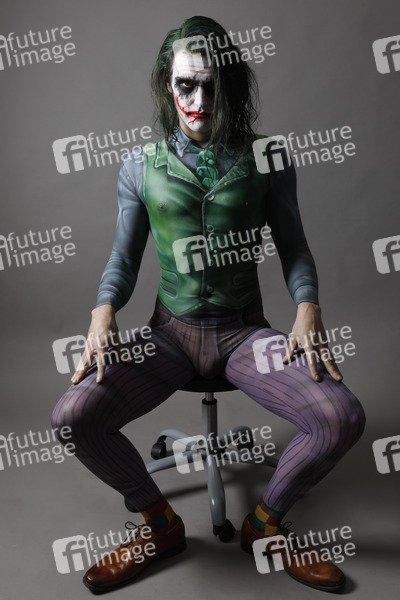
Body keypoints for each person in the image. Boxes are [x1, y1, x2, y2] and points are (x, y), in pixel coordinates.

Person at [52, 15, 365, 594]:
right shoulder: (139, 166)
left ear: (231, 87)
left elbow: (294, 247)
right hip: (169, 336)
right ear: (166, 85)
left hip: (244, 335)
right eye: (185, 85)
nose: (197, 101)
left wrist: (308, 306)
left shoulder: (267, 157)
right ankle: (160, 525)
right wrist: (103, 310)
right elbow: (123, 258)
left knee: (341, 416)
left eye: (211, 86)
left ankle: (264, 525)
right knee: (71, 419)